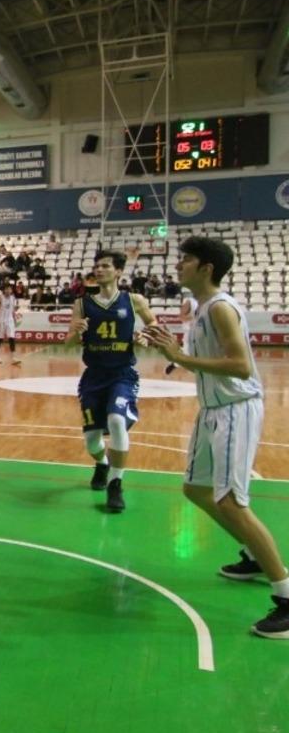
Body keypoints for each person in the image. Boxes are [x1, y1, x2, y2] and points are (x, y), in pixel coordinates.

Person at [144, 237, 289, 637]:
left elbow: (240, 366)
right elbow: (200, 360)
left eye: (186, 260)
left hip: (235, 410)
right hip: (213, 410)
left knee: (231, 501)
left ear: (206, 267)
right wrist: (171, 353)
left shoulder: (222, 308)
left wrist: (179, 357)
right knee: (196, 490)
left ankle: (286, 595)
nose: (179, 266)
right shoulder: (202, 309)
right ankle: (255, 556)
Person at [65, 250, 156, 513]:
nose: (99, 269)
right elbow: (69, 342)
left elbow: (153, 324)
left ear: (118, 272)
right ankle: (102, 463)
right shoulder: (83, 304)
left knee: (117, 421)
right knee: (92, 441)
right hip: (93, 376)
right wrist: (76, 333)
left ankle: (116, 484)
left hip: (122, 374)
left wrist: (146, 338)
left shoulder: (134, 300)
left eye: (105, 266)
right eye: (96, 266)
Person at [166, 289, 198, 375]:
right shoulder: (189, 302)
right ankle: (175, 363)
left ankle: (176, 363)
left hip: (201, 329)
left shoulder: (207, 301)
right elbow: (181, 317)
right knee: (187, 350)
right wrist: (194, 318)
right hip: (190, 330)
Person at [0, 285, 22, 365]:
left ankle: (14, 357)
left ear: (11, 290)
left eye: (10, 289)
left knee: (11, 338)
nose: (8, 290)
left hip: (10, 321)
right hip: (1, 320)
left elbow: (12, 310)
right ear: (4, 290)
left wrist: (15, 319)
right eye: (7, 289)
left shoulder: (13, 298)